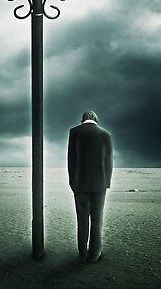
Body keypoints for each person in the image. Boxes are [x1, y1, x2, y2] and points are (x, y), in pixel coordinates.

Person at [67, 110, 113, 263]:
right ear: (95, 119)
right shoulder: (106, 134)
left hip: (80, 184)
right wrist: (107, 183)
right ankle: (95, 254)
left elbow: (71, 159)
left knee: (82, 219)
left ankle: (82, 252)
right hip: (100, 184)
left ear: (82, 119)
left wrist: (72, 181)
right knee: (97, 219)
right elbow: (109, 162)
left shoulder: (74, 132)